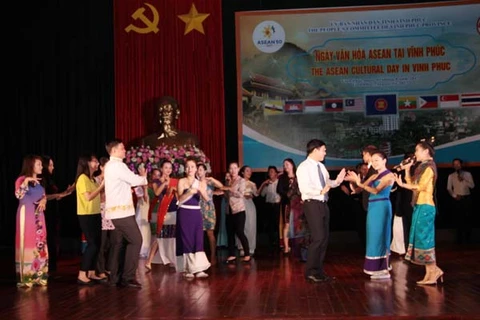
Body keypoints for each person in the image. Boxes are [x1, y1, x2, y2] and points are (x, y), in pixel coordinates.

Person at [394, 140, 444, 285]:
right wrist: (406, 170)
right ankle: (431, 273)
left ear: (426, 151)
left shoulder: (429, 167)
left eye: (417, 150)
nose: (415, 153)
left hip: (426, 206)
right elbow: (413, 182)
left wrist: (403, 184)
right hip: (419, 205)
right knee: (421, 238)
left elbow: (420, 186)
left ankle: (433, 272)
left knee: (425, 238)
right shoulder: (422, 167)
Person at [296, 139, 346, 283]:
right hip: (312, 203)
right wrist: (320, 191)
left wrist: (337, 181)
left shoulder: (321, 167)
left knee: (324, 239)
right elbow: (304, 189)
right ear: (315, 150)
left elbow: (328, 183)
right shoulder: (304, 167)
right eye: (323, 150)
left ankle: (319, 271)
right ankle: (310, 271)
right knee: (318, 238)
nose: (325, 152)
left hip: (323, 204)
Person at [104, 139, 148, 288]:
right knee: (136, 240)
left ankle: (116, 276)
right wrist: (144, 177)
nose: (125, 151)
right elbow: (134, 180)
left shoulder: (111, 166)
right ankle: (128, 277)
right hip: (121, 212)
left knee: (119, 244)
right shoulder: (117, 165)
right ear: (114, 151)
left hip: (117, 212)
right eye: (122, 149)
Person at [346, 151, 394, 279]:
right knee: (373, 236)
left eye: (377, 160)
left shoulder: (389, 176)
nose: (374, 163)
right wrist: (353, 182)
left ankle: (383, 268)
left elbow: (376, 191)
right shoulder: (373, 176)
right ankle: (376, 267)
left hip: (382, 206)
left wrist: (359, 182)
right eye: (372, 161)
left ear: (384, 161)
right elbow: (357, 190)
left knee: (381, 235)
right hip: (373, 208)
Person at [14, 155, 48, 287]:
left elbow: (43, 196)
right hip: (26, 216)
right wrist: (26, 180)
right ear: (30, 165)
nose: (41, 167)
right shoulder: (21, 179)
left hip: (39, 217)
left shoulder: (39, 181)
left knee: (40, 242)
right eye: (38, 164)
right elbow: (18, 195)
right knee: (27, 241)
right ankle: (26, 277)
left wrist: (44, 199)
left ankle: (39, 275)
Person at [176, 159, 211, 278]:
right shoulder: (181, 181)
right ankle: (188, 269)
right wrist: (190, 192)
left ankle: (199, 268)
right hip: (184, 212)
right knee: (187, 238)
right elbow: (179, 199)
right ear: (185, 169)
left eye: (192, 166)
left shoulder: (200, 182)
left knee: (198, 239)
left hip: (196, 212)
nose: (190, 169)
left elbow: (207, 199)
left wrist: (201, 189)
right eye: (188, 167)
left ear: (196, 169)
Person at [40, 155, 75, 272]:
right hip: (46, 213)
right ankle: (48, 266)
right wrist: (58, 195)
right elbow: (43, 197)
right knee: (49, 238)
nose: (53, 167)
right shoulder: (41, 179)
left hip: (54, 212)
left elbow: (55, 196)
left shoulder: (49, 179)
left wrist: (66, 192)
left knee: (54, 238)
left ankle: (52, 266)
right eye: (50, 165)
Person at [75, 154, 105, 285]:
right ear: (86, 163)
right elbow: (88, 197)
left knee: (97, 244)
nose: (97, 164)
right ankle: (82, 274)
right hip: (86, 214)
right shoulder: (82, 178)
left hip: (96, 213)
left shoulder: (92, 179)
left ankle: (92, 272)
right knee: (92, 244)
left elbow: (99, 197)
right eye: (94, 161)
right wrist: (101, 187)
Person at [145, 161, 178, 271]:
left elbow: (178, 196)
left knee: (173, 236)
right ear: (161, 169)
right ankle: (149, 261)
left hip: (173, 210)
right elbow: (157, 193)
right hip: (163, 212)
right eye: (166, 167)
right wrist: (165, 183)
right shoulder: (156, 182)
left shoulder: (174, 181)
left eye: (170, 168)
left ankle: (171, 260)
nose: (168, 170)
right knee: (160, 237)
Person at [132, 96, 200, 148]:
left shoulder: (190, 140)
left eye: (169, 110)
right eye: (161, 110)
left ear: (176, 113)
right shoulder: (146, 141)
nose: (165, 113)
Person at [196, 162, 225, 264]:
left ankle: (213, 256)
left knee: (210, 233)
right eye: (197, 169)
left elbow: (221, 186)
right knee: (198, 234)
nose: (198, 172)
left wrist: (212, 179)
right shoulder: (194, 182)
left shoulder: (209, 181)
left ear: (205, 171)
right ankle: (200, 257)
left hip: (209, 209)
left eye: (200, 170)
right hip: (197, 209)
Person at [224, 162, 251, 264]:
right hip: (229, 210)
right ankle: (231, 254)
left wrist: (230, 189)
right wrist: (224, 192)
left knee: (239, 231)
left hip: (239, 210)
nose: (233, 170)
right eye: (231, 169)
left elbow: (240, 194)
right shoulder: (228, 181)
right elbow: (227, 196)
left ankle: (247, 253)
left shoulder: (241, 181)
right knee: (230, 233)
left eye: (235, 168)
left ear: (238, 169)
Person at [447, 158, 475, 244]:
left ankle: (468, 238)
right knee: (458, 219)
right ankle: (459, 239)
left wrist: (463, 179)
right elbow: (448, 188)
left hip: (467, 198)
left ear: (461, 165)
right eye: (454, 164)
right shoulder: (451, 176)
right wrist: (455, 196)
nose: (456, 166)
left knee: (467, 218)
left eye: (458, 164)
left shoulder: (467, 174)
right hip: (457, 199)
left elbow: (472, 186)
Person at [94, 157, 114, 280]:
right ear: (101, 167)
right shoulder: (96, 180)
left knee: (112, 242)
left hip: (112, 212)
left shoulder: (113, 180)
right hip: (101, 211)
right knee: (101, 243)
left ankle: (109, 267)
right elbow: (97, 197)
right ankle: (100, 269)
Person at [259, 165, 281, 253]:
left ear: (276, 173)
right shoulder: (267, 183)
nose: (270, 173)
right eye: (269, 172)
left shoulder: (279, 182)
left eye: (272, 171)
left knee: (278, 224)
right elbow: (262, 194)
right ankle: (271, 243)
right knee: (270, 225)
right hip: (269, 206)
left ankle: (280, 242)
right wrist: (265, 185)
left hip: (277, 205)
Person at [238, 165, 258, 256]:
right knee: (242, 226)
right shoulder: (238, 182)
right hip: (240, 204)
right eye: (247, 171)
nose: (249, 172)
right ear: (242, 172)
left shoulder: (252, 184)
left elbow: (256, 194)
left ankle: (251, 247)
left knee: (251, 226)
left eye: (250, 171)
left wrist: (263, 184)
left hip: (249, 204)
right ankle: (242, 247)